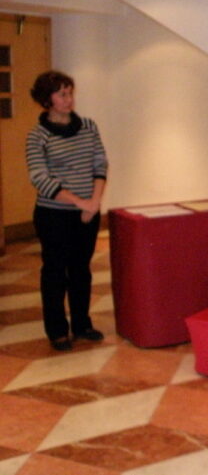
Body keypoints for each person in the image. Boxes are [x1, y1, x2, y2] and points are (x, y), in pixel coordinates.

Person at [26, 71, 108, 351]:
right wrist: (79, 201)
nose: (69, 99)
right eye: (62, 94)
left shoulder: (88, 126)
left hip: (87, 212)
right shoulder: (37, 136)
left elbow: (100, 164)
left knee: (81, 270)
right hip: (53, 215)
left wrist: (94, 202)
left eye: (70, 92)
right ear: (46, 99)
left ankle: (82, 325)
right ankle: (57, 330)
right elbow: (40, 177)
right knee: (55, 271)